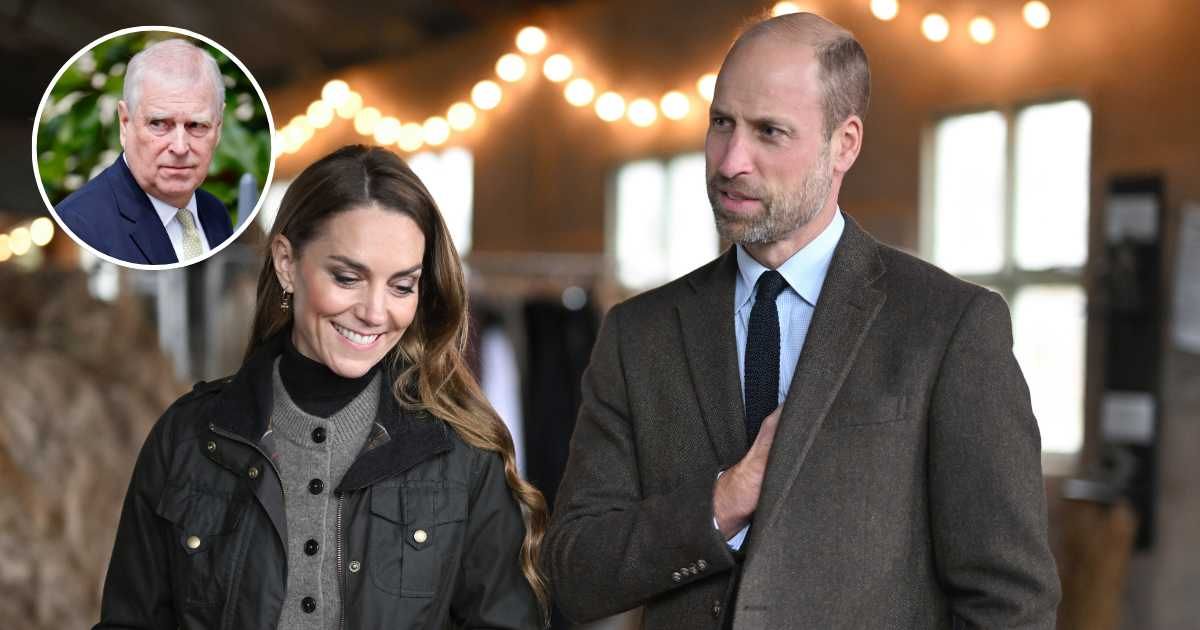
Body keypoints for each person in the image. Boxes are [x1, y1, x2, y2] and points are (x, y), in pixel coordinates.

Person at [545, 12, 1060, 629]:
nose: (731, 159)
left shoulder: (949, 327)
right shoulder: (638, 334)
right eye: (721, 123)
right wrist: (722, 502)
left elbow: (1010, 603)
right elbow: (573, 573)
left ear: (844, 143)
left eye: (769, 132)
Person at [94, 145, 547, 629]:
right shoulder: (186, 438)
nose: (375, 312)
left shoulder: (462, 455)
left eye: (401, 286)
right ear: (287, 263)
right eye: (348, 277)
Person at [55, 38, 233, 265]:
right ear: (125, 122)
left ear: (218, 127)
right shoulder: (80, 224)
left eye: (196, 125)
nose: (179, 147)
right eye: (159, 124)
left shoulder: (215, 213)